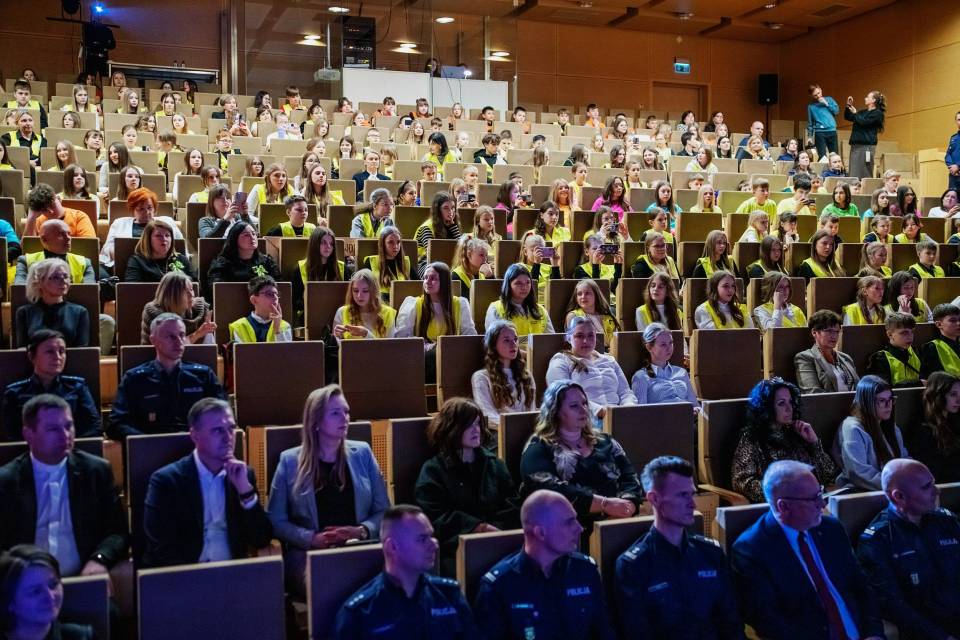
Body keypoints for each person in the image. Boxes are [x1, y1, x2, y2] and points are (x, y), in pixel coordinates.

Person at [731, 460, 885, 640]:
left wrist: (874, 633)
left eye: (820, 493)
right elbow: (769, 621)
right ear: (783, 506)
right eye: (813, 499)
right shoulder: (751, 550)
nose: (822, 503)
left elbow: (861, 587)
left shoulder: (831, 529)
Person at [267, 385, 387, 593]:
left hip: (359, 548)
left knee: (395, 578)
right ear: (315, 421)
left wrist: (361, 531)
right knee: (334, 585)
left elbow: (384, 510)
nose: (345, 418)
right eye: (335, 413)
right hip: (309, 555)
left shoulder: (363, 453)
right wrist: (311, 538)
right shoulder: (289, 461)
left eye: (346, 411)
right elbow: (275, 521)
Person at [0, 392, 127, 582]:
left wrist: (99, 559)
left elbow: (118, 532)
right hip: (27, 586)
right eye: (53, 429)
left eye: (69, 426)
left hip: (84, 579)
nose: (65, 435)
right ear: (29, 434)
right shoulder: (6, 481)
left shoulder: (96, 471)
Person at [614, 456, 743, 639]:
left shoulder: (711, 553)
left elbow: (731, 622)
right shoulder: (634, 565)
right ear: (655, 499)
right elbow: (638, 633)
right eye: (683, 495)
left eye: (692, 494)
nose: (693, 504)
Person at [142, 397, 272, 567]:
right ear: (194, 435)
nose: (228, 438)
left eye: (231, 428)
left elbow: (261, 539)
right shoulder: (167, 481)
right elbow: (161, 547)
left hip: (232, 572)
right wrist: (199, 577)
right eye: (218, 431)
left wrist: (245, 492)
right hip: (184, 574)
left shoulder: (243, 475)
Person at [473, 490, 616, 640]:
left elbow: (604, 632)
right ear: (540, 532)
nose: (579, 528)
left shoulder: (584, 570)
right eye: (569, 522)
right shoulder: (499, 585)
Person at [334, 504, 478, 639]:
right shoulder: (361, 612)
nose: (434, 545)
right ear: (392, 547)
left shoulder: (449, 595)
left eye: (431, 536)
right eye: (422, 539)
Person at [857, 458, 960, 639]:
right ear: (899, 497)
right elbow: (895, 606)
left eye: (933, 483)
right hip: (928, 631)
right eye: (926, 487)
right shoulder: (878, 539)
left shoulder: (946, 521)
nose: (937, 491)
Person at [414, 398, 517, 576]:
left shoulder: (494, 464)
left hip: (498, 541)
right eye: (469, 425)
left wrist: (496, 531)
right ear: (451, 428)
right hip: (455, 548)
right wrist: (477, 528)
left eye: (477, 423)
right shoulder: (433, 470)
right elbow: (433, 516)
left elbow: (512, 504)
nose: (476, 430)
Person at [519, 380, 641, 524]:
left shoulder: (605, 441)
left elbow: (629, 477)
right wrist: (605, 505)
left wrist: (628, 505)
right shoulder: (539, 447)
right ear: (555, 411)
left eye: (584, 403)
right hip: (566, 526)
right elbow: (548, 491)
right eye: (574, 406)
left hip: (617, 521)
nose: (583, 410)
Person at [108, 313, 225, 442]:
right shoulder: (135, 379)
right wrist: (146, 442)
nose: (179, 342)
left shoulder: (203, 375)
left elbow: (223, 414)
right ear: (153, 340)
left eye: (182, 335)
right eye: (171, 337)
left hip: (195, 445)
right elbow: (116, 423)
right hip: (150, 446)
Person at [731, 379, 838, 503]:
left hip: (813, 501)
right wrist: (785, 491)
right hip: (779, 506)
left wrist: (814, 443)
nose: (789, 408)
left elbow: (829, 475)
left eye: (790, 402)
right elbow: (742, 482)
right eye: (781, 403)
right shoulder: (751, 438)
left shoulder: (797, 433)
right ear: (767, 407)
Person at [2, 331, 100, 440]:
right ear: (31, 356)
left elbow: (93, 427)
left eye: (61, 351)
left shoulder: (77, 387)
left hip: (71, 447)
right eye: (50, 351)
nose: (58, 357)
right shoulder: (15, 393)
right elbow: (10, 435)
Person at [395, 262, 477, 382]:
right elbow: (402, 340)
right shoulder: (413, 304)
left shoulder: (460, 304)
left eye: (433, 278)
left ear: (444, 282)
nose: (427, 282)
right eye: (425, 278)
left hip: (451, 355)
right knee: (433, 357)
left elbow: (470, 336)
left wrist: (448, 347)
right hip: (422, 357)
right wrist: (430, 347)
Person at [546, 316, 636, 417]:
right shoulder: (561, 361)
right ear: (568, 338)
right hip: (586, 418)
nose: (585, 340)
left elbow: (625, 392)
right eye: (579, 336)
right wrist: (601, 412)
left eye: (590, 335)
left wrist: (628, 409)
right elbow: (563, 395)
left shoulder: (609, 360)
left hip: (618, 416)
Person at [0, 545, 94, 640]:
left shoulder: (81, 637)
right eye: (36, 591)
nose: (50, 596)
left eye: (53, 585)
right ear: (10, 601)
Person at [834, 374, 908, 490]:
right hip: (861, 492)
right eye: (882, 400)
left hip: (890, 489)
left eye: (890, 399)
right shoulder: (852, 428)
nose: (888, 405)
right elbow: (859, 472)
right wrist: (897, 485)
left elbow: (903, 458)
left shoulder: (890, 427)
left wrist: (914, 477)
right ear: (867, 403)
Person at [100, 188, 183, 274]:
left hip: (162, 266)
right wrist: (116, 252)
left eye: (150, 208)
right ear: (133, 210)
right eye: (141, 209)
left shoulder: (167, 221)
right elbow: (106, 249)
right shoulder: (119, 223)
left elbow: (180, 245)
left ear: (154, 208)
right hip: (127, 266)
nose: (147, 212)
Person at [470, 320, 536, 427]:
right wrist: (513, 427)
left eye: (515, 339)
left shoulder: (527, 376)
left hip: (525, 431)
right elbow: (487, 415)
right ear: (493, 345)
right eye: (506, 340)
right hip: (499, 431)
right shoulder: (481, 377)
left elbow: (531, 411)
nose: (513, 344)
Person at [15, 259, 90, 350]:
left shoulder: (79, 312)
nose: (63, 281)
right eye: (55, 277)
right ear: (40, 282)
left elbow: (82, 350)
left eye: (66, 276)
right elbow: (22, 349)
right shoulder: (24, 312)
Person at [905, 372, 960, 483]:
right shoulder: (924, 431)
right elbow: (934, 472)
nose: (959, 400)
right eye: (953, 394)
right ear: (938, 396)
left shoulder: (953, 421)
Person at [205, 221, 280, 301]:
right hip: (232, 302)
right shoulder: (222, 263)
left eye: (254, 234)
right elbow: (217, 289)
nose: (252, 237)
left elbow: (279, 283)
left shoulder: (266, 261)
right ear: (235, 238)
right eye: (246, 235)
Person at [630, 323, 698, 409]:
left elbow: (695, 405)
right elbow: (640, 412)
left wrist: (696, 410)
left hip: (687, 416)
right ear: (649, 347)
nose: (669, 348)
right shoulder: (641, 377)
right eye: (663, 344)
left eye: (671, 343)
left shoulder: (681, 372)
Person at [484, 263, 554, 344]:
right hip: (510, 352)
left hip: (538, 351)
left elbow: (551, 341)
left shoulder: (540, 310)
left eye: (527, 282)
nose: (524, 287)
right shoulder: (495, 309)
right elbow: (493, 343)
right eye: (518, 283)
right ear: (508, 285)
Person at [140, 271, 214, 346]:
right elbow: (163, 348)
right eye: (185, 292)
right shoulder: (153, 314)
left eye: (191, 289)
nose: (191, 295)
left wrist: (207, 331)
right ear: (171, 296)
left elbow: (207, 347)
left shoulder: (200, 310)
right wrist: (196, 335)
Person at [794, 310, 860, 394]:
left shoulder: (846, 358)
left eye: (837, 331)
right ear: (814, 332)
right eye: (829, 331)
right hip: (827, 402)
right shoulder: (805, 358)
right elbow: (812, 392)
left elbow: (859, 387)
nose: (834, 336)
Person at [124, 218, 194, 283]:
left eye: (167, 235)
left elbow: (195, 285)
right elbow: (132, 288)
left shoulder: (181, 259)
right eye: (158, 236)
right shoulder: (137, 261)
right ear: (148, 240)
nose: (164, 239)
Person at [333, 269, 397, 340]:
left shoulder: (388, 313)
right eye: (355, 291)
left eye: (365, 291)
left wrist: (366, 334)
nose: (359, 296)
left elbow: (389, 346)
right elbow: (337, 345)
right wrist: (338, 337)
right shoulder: (342, 312)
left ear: (374, 291)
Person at [229, 276, 292, 343]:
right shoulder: (239, 326)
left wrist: (277, 331)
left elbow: (287, 350)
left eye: (276, 294)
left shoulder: (284, 326)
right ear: (254, 300)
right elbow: (240, 350)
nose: (275, 297)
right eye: (269, 294)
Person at [865, 312, 922, 388]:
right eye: (904, 333)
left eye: (912, 332)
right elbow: (882, 389)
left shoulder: (916, 352)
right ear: (890, 335)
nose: (910, 336)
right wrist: (918, 383)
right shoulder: (880, 359)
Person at [23, 184, 95, 239]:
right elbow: (27, 248)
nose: (51, 211)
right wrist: (31, 218)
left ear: (59, 199)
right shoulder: (38, 221)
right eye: (45, 210)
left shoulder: (79, 217)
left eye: (52, 205)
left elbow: (88, 245)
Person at [414, 192, 462, 276]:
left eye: (453, 207)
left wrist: (453, 227)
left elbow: (461, 248)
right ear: (438, 210)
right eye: (446, 208)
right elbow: (432, 254)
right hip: (424, 264)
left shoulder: (451, 225)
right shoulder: (426, 228)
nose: (450, 211)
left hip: (447, 261)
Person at [845, 90, 887, 179]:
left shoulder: (878, 113)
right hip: (856, 145)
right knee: (854, 170)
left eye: (868, 97)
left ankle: (866, 186)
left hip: (866, 146)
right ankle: (855, 186)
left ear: (874, 100)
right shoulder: (863, 112)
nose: (865, 98)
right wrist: (848, 106)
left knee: (865, 170)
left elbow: (864, 122)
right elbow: (848, 117)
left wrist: (855, 113)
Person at [920, 303, 960, 378]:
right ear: (939, 324)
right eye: (953, 320)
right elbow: (930, 379)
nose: (958, 323)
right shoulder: (931, 347)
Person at [806, 84, 841, 158]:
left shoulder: (829, 99)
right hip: (819, 133)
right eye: (815, 95)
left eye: (818, 93)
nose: (818, 96)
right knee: (822, 157)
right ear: (812, 96)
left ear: (821, 90)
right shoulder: (811, 106)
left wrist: (827, 104)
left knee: (835, 156)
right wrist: (810, 136)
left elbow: (836, 112)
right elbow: (810, 123)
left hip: (832, 131)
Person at [946, 111, 960, 192]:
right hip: (954, 177)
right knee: (952, 198)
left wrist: (958, 166)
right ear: (956, 122)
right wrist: (952, 167)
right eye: (959, 120)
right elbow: (948, 154)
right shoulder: (953, 138)